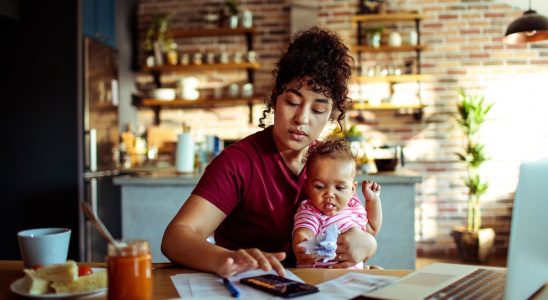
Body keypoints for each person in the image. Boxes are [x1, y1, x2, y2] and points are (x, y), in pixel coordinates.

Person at [161, 26, 377, 278]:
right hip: (248, 285)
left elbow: (354, 225)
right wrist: (224, 258)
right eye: (292, 102)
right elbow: (176, 237)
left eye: (318, 110)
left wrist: (368, 245)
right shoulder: (238, 162)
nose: (302, 119)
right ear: (275, 99)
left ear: (332, 114)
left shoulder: (329, 163)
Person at [292, 138, 382, 269]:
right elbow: (304, 231)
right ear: (307, 187)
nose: (329, 194)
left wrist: (373, 200)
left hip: (352, 278)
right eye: (320, 186)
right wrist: (302, 243)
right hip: (320, 277)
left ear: (352, 189)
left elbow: (372, 229)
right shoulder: (311, 210)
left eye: (339, 188)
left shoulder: (353, 206)